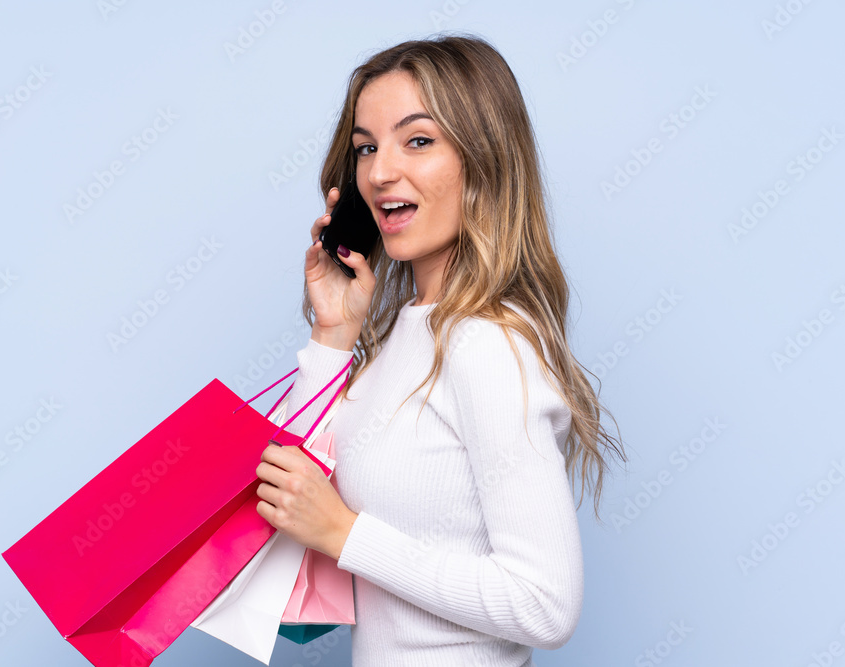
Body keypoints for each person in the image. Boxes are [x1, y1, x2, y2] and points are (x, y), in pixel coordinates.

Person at [255, 33, 626, 666]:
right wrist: (333, 336)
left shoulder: (487, 343)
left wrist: (344, 533)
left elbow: (545, 603)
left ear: (484, 159)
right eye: (366, 147)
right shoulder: (401, 333)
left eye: (417, 140)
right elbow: (282, 524)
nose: (379, 171)